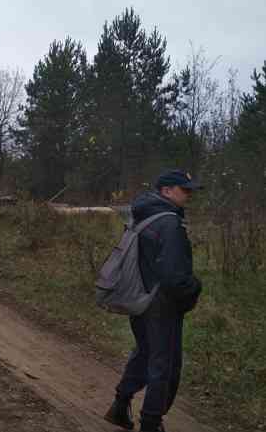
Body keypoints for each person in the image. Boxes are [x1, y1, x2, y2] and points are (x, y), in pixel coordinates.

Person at [104, 170, 203, 432]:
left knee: (145, 353)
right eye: (184, 189)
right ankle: (150, 423)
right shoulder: (170, 223)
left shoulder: (143, 215)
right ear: (166, 191)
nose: (189, 194)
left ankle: (119, 405)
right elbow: (174, 276)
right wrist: (195, 287)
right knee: (164, 365)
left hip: (140, 298)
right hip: (162, 303)